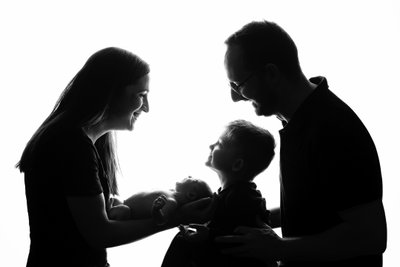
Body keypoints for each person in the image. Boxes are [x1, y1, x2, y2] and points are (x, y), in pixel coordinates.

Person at [16, 47, 213, 267]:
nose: (146, 108)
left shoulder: (80, 140)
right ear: (111, 92)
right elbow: (99, 234)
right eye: (141, 95)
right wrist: (177, 219)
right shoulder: (71, 144)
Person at [215, 20, 387, 267]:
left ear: (271, 73)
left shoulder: (334, 129)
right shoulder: (299, 121)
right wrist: (250, 218)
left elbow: (370, 237)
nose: (234, 97)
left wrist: (278, 248)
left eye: (238, 85)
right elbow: (317, 213)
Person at [161, 119, 277, 267]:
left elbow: (241, 233)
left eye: (219, 144)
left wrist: (208, 234)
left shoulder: (243, 196)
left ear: (237, 164)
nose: (211, 146)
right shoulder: (230, 192)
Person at [108, 176, 213, 225]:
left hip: (126, 213)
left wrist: (156, 210)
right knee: (112, 198)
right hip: (122, 203)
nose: (189, 176)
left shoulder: (172, 202)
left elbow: (161, 221)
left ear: (191, 194)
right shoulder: (171, 192)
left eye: (194, 180)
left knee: (122, 210)